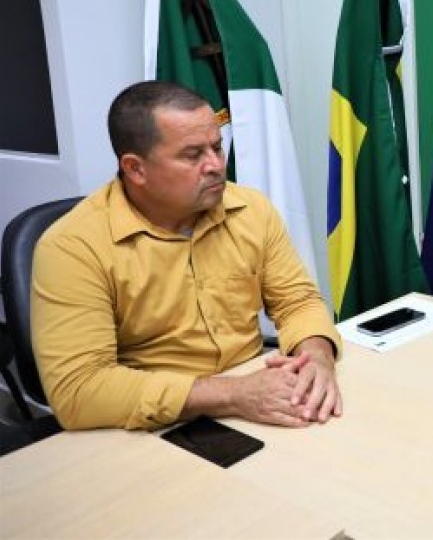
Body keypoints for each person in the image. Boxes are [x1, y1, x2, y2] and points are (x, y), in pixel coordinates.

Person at [31, 81, 344, 430]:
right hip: (158, 422)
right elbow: (80, 390)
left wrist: (316, 357)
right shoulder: (72, 247)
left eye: (217, 147)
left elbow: (297, 301)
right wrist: (233, 393)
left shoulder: (251, 209)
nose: (216, 165)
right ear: (135, 169)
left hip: (258, 394)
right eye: (193, 155)